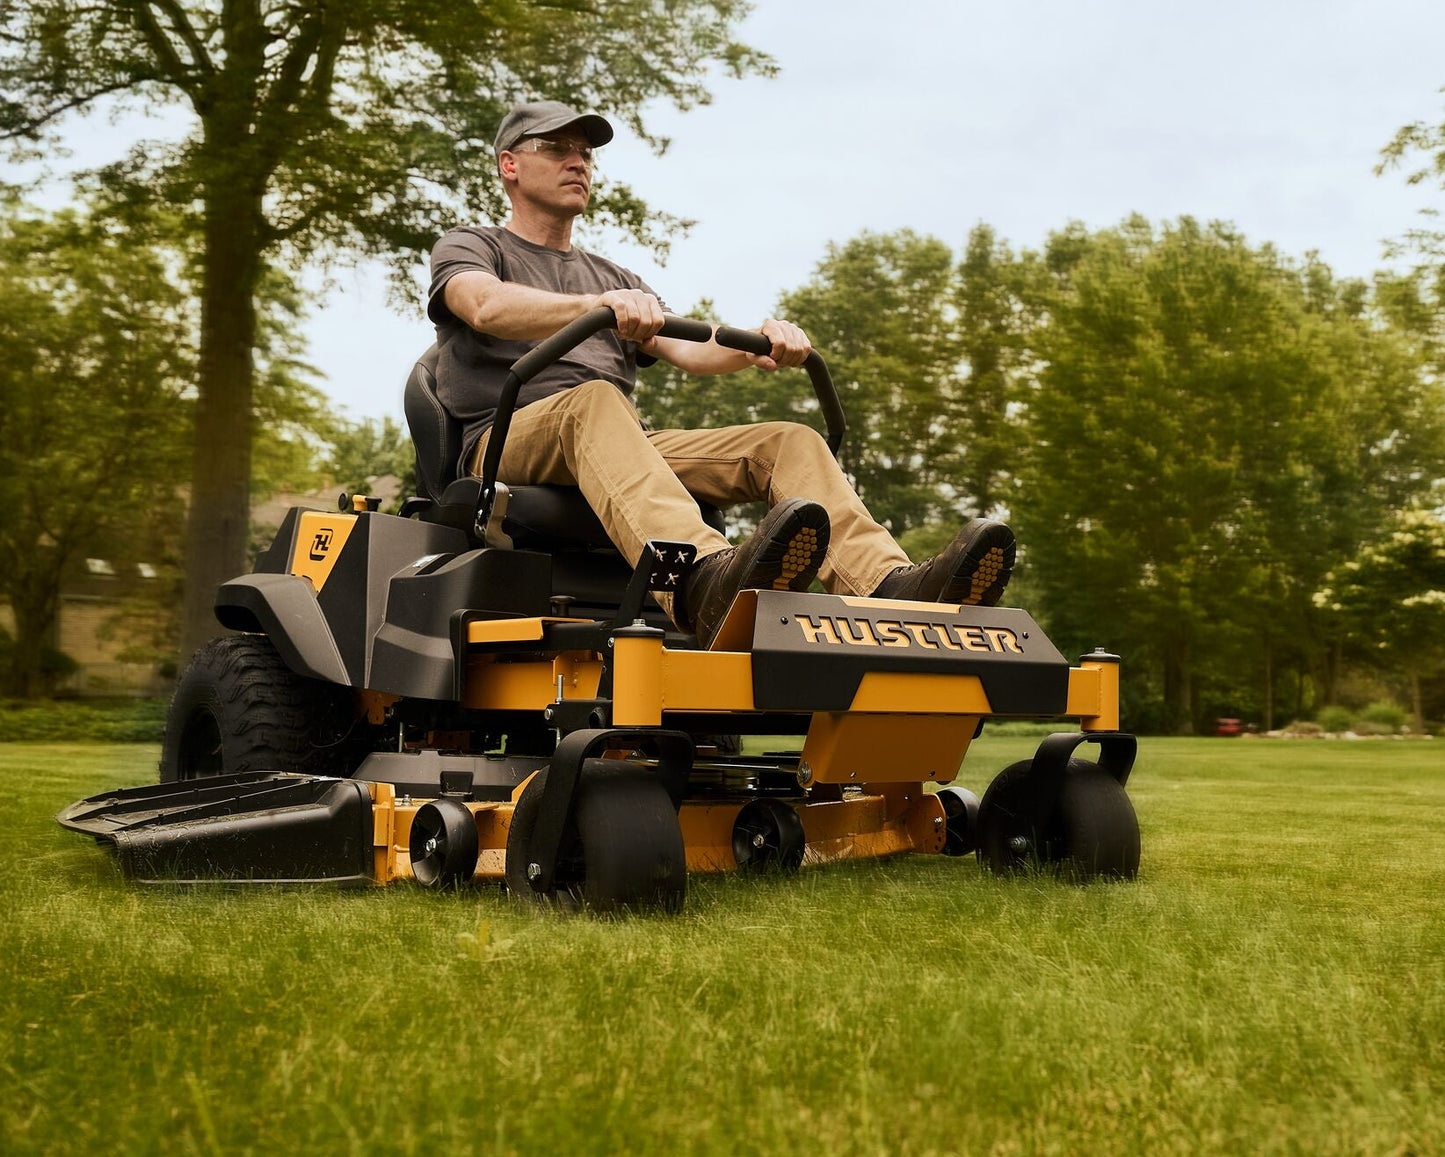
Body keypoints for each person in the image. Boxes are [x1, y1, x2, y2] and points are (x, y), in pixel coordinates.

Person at [427, 100, 1015, 647]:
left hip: (617, 437)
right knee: (595, 399)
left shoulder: (615, 274)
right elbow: (483, 305)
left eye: (585, 153)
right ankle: (701, 581)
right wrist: (595, 307)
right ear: (510, 165)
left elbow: (693, 349)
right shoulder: (473, 246)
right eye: (557, 150)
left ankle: (890, 590)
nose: (578, 162)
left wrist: (761, 345)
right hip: (505, 440)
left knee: (787, 441)